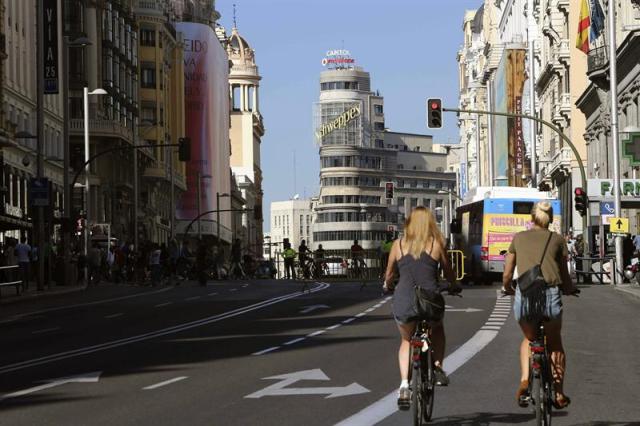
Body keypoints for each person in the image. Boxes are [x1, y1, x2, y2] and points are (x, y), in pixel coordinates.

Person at [502, 201, 578, 410]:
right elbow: (564, 274)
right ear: (550, 219)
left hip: (525, 296)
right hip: (551, 295)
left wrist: (507, 287)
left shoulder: (518, 238)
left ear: (531, 218)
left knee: (529, 338)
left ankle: (525, 380)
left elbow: (508, 272)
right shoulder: (558, 240)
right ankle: (559, 393)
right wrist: (570, 289)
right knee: (555, 344)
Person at [382, 207, 458, 409]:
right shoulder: (436, 243)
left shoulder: (398, 245)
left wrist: (387, 285)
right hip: (430, 301)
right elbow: (449, 271)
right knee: (438, 329)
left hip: (404, 300)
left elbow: (389, 275)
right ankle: (438, 367)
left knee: (406, 340)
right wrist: (453, 285)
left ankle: (405, 384)